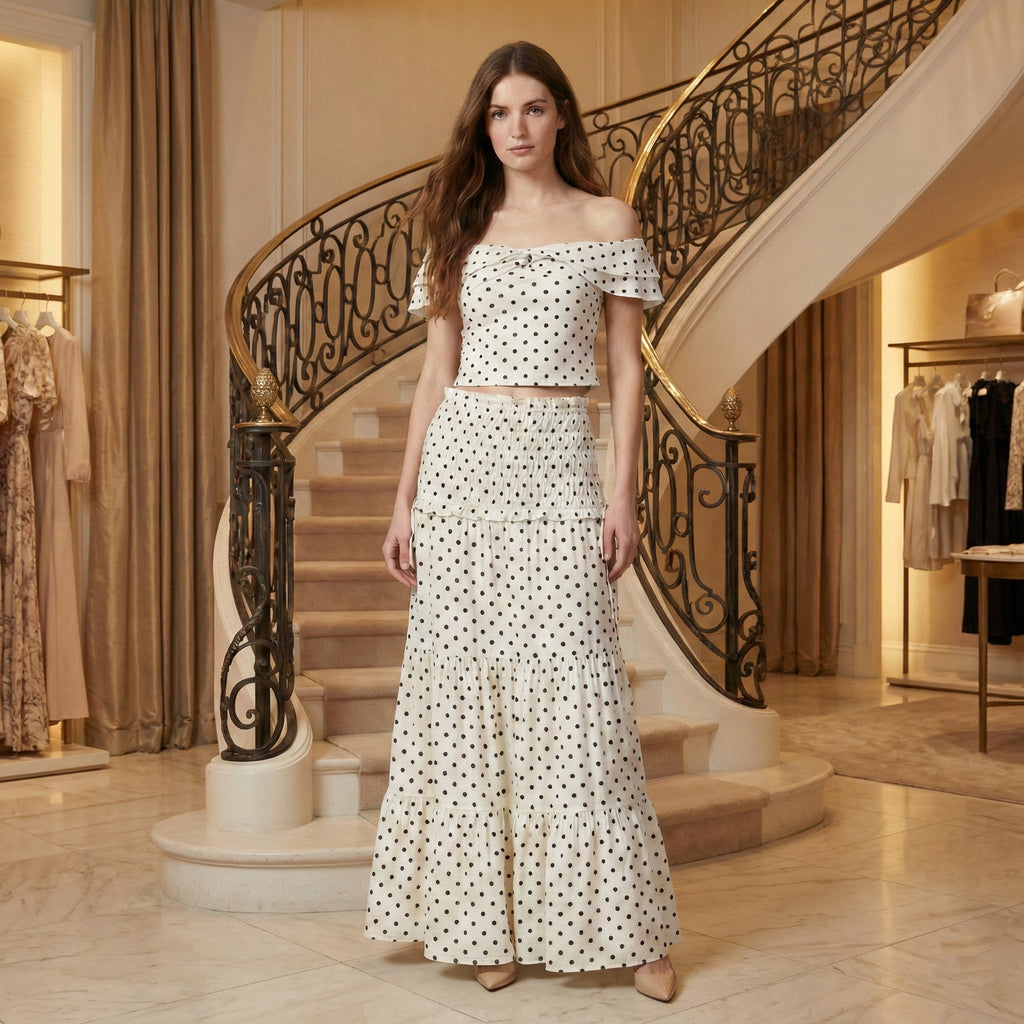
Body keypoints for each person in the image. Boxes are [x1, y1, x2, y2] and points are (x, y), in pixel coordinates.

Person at [365, 40, 681, 1002]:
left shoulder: (606, 220)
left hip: (558, 465)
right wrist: (405, 496)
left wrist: (622, 492)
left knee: (581, 691)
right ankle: (479, 920)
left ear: (562, 118)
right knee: (462, 702)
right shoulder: (457, 229)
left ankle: (635, 934)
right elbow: (434, 376)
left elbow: (627, 370)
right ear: (483, 124)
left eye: (534, 110)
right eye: (500, 114)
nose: (516, 129)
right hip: (463, 469)